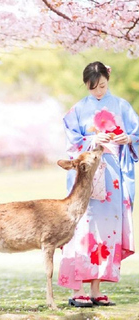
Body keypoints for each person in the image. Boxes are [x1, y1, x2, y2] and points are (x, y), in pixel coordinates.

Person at [58, 61, 139, 307]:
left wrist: (129, 138)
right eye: (93, 88)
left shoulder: (122, 106)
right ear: (86, 85)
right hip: (87, 176)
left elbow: (137, 133)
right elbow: (72, 142)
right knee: (82, 228)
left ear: (107, 80)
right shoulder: (78, 110)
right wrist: (92, 139)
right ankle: (76, 290)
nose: (99, 92)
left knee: (107, 230)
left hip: (113, 176)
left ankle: (95, 289)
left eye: (102, 86)